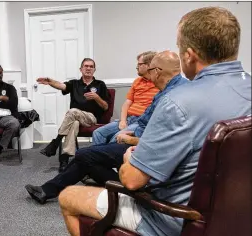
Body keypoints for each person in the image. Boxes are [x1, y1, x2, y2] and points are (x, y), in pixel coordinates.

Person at [58, 7, 251, 236]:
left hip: (177, 217)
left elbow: (131, 181)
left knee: (68, 197)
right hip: (237, 213)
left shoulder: (178, 103)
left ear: (189, 55)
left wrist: (131, 157)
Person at [26, 50, 187, 204]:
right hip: (134, 130)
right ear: (81, 69)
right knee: (85, 154)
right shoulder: (165, 91)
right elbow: (145, 121)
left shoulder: (169, 98)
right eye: (85, 66)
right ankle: (47, 190)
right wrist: (128, 126)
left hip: (139, 145)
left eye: (149, 70)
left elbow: (160, 140)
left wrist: (131, 139)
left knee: (83, 154)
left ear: (157, 71)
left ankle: (127, 189)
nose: (149, 77)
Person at [37, 58, 110, 172]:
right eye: (86, 66)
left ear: (94, 70)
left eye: (91, 66)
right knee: (74, 123)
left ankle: (56, 142)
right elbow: (61, 86)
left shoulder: (100, 85)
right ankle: (64, 158)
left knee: (72, 111)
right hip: (74, 118)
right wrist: (50, 82)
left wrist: (97, 97)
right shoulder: (75, 83)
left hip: (91, 118)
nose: (88, 68)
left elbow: (106, 106)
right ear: (81, 69)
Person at [92, 51, 159, 145]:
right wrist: (123, 121)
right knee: (98, 133)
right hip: (129, 119)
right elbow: (126, 104)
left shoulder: (159, 83)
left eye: (139, 64)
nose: (137, 67)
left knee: (116, 139)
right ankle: (96, 158)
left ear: (148, 65)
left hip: (141, 122)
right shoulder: (137, 81)